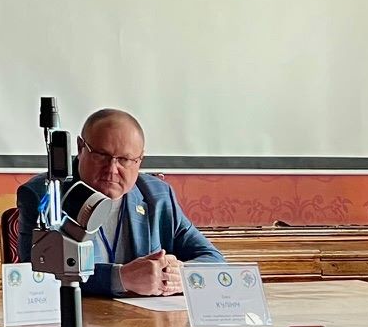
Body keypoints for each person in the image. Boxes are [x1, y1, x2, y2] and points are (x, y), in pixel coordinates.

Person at [14, 107, 223, 297]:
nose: (112, 169)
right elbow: (37, 275)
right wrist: (120, 278)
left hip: (146, 321)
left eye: (124, 159)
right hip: (78, 318)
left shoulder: (158, 195)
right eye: (101, 156)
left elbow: (214, 260)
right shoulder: (45, 193)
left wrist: (178, 275)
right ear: (80, 147)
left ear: (140, 160)